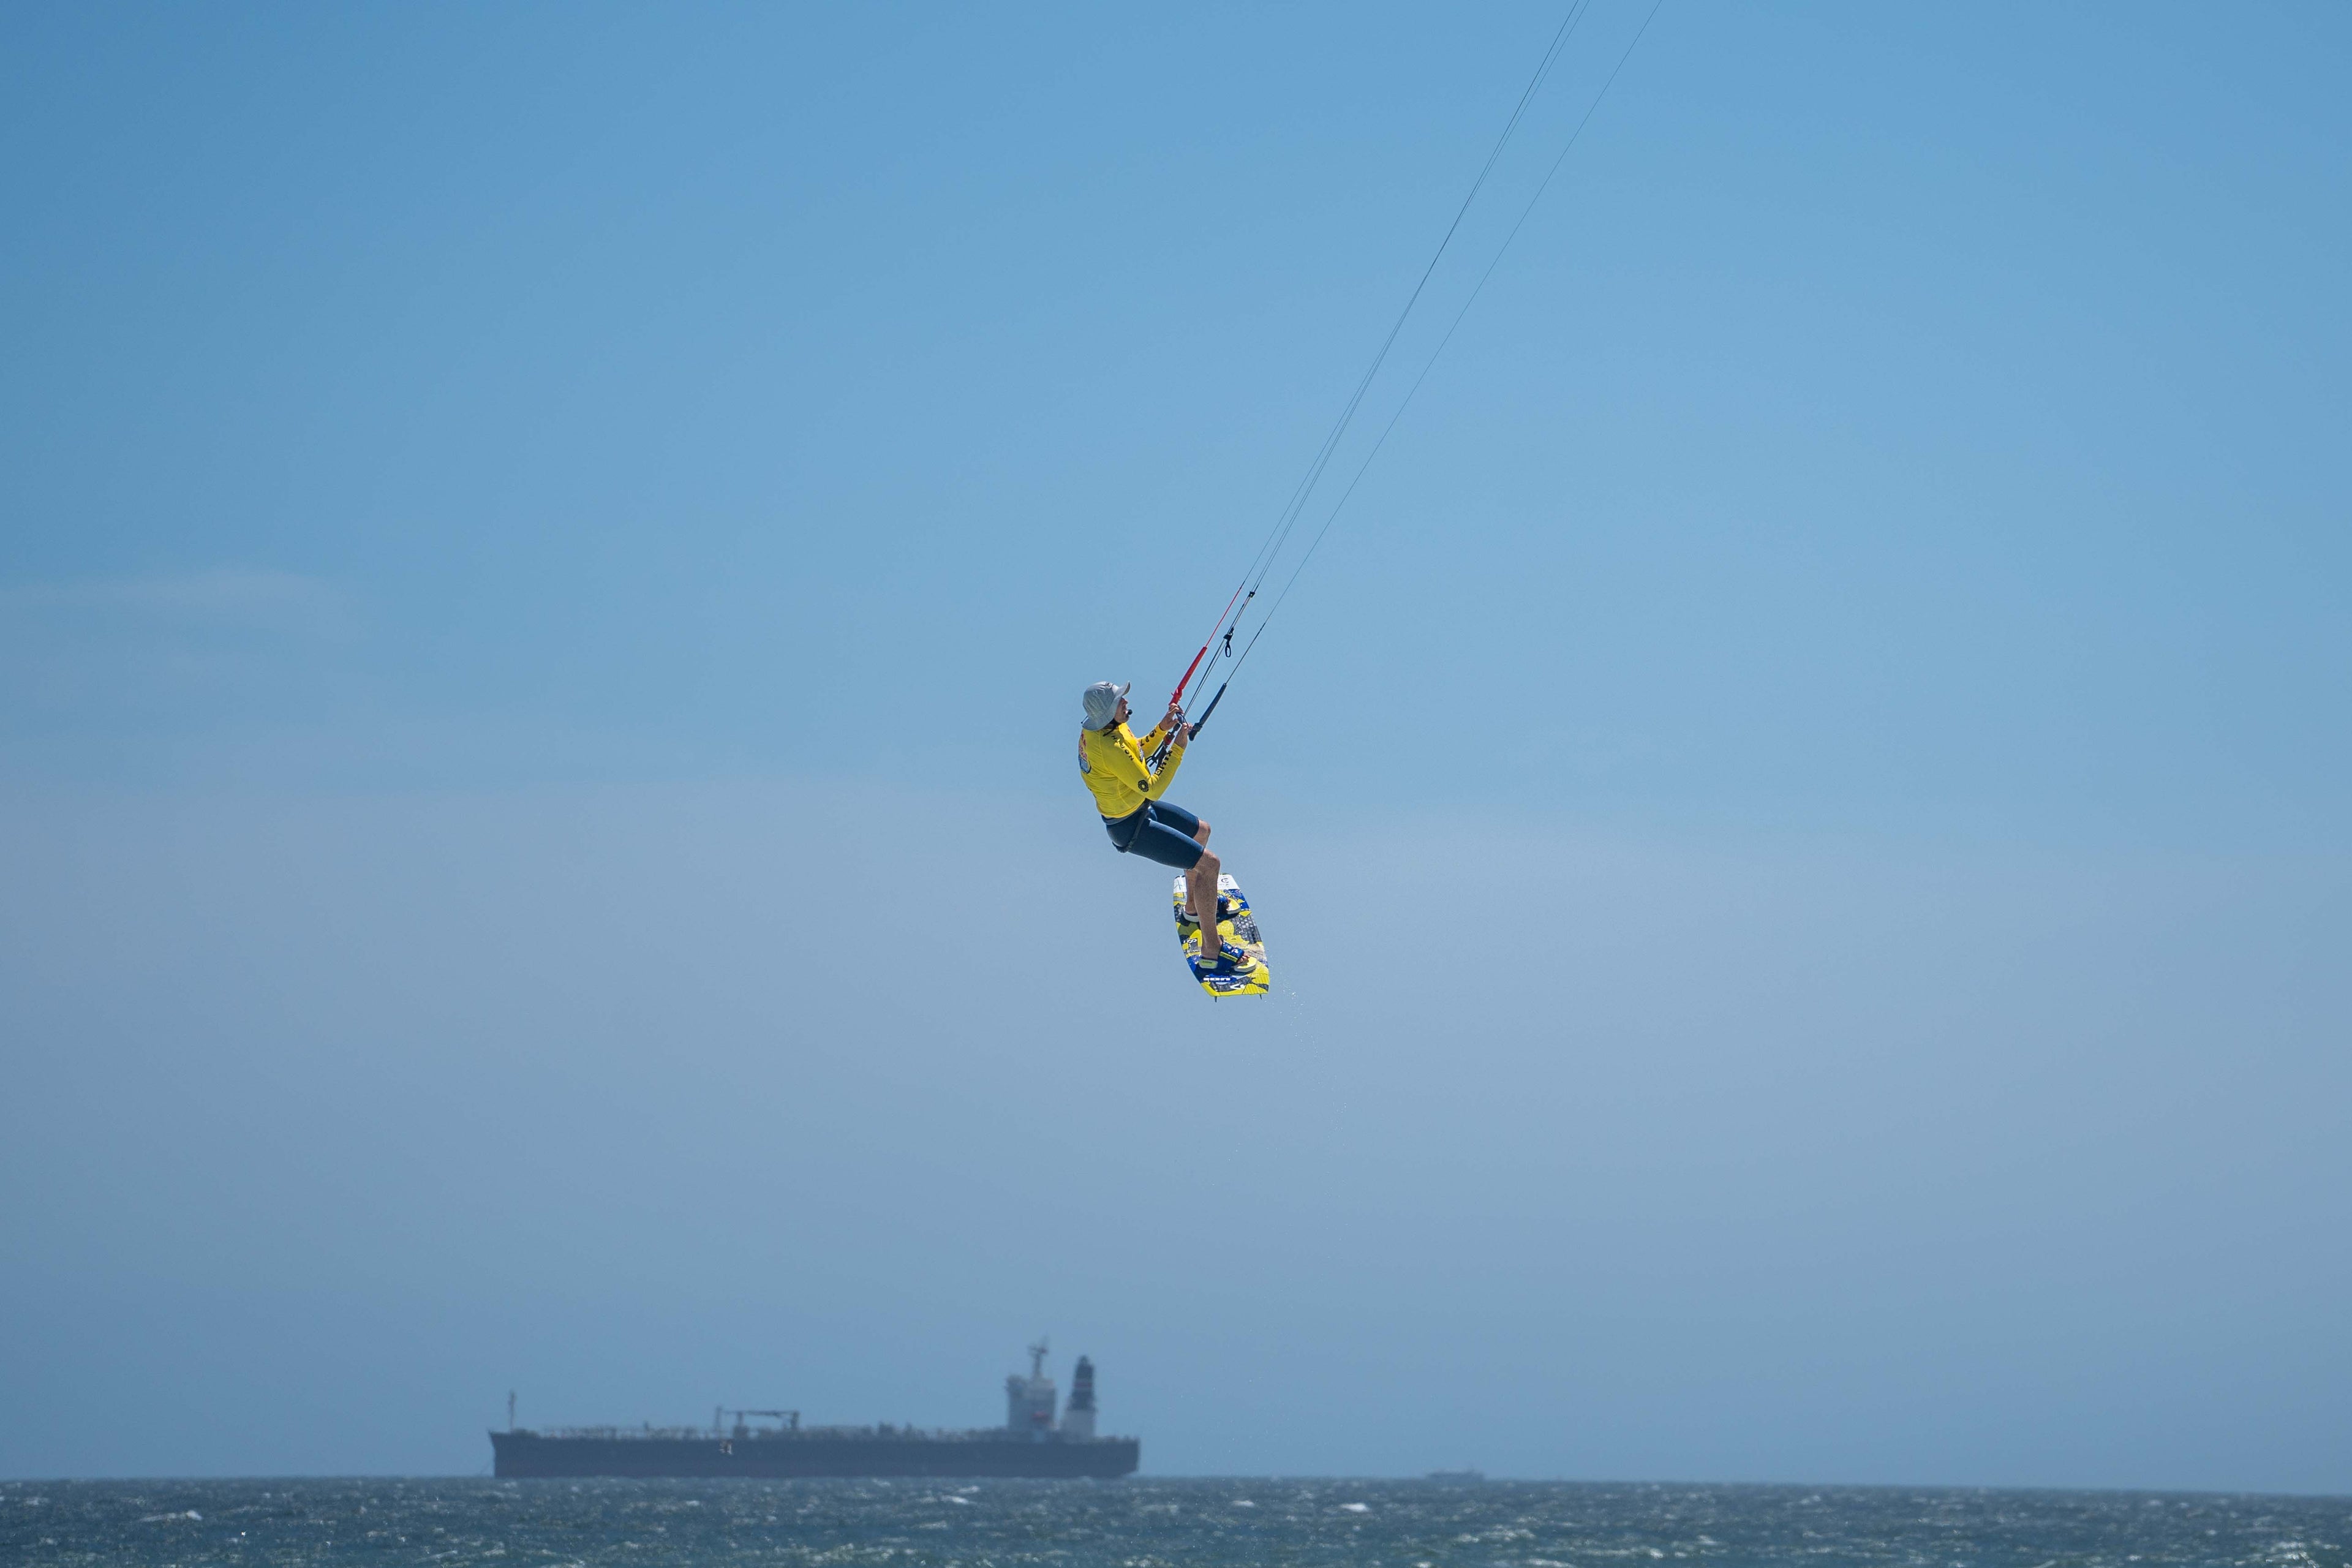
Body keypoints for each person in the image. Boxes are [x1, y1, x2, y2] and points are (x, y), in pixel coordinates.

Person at [1077, 679, 1246, 975]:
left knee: (1201, 831)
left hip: (1139, 810)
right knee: (1210, 865)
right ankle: (1212, 950)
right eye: (1120, 701)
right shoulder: (1108, 746)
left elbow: (1136, 751)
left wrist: (1162, 729)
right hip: (1131, 829)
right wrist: (1178, 748)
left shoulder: (1107, 729)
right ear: (1107, 713)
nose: (1126, 703)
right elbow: (1152, 789)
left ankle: (1194, 909)